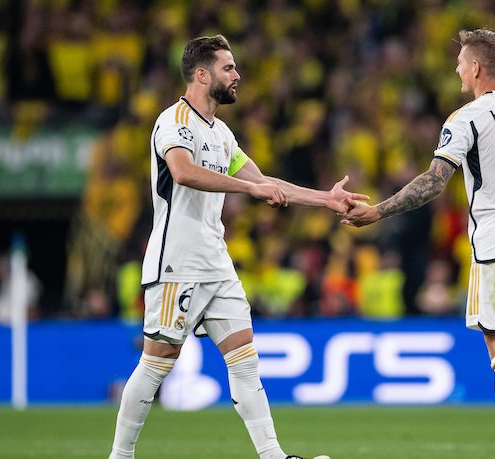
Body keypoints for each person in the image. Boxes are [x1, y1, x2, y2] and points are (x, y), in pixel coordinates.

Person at [108, 34, 366, 459]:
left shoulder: (222, 133)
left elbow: (265, 183)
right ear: (201, 74)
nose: (237, 75)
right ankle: (120, 456)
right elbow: (183, 172)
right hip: (177, 261)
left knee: (245, 360)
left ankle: (273, 455)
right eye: (228, 68)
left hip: (216, 263)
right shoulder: (173, 121)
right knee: (158, 361)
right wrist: (248, 189)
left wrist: (327, 199)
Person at [342, 28, 495, 459]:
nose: (456, 71)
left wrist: (377, 212)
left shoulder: (466, 118)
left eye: (459, 64)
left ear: (475, 67)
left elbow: (435, 182)